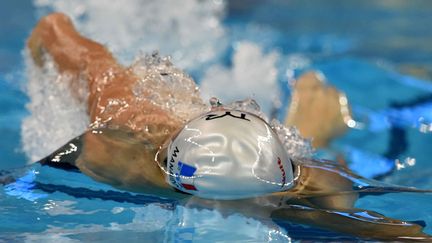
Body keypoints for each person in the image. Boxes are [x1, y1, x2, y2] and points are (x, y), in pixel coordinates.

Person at [27, 12, 431, 240]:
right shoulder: (114, 139)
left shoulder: (305, 186)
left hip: (289, 164)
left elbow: (389, 230)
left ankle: (313, 120)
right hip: (157, 129)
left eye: (256, 203)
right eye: (236, 206)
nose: (242, 213)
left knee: (331, 175)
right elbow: (55, 29)